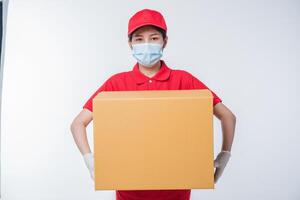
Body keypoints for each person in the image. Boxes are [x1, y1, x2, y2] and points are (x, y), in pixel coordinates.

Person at [70, 8, 236, 200]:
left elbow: (228, 116)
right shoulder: (116, 84)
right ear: (130, 43)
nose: (146, 44)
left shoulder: (184, 81)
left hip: (176, 191)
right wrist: (89, 159)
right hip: (129, 192)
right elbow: (77, 124)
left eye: (154, 38)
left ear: (165, 41)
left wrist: (225, 154)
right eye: (139, 39)